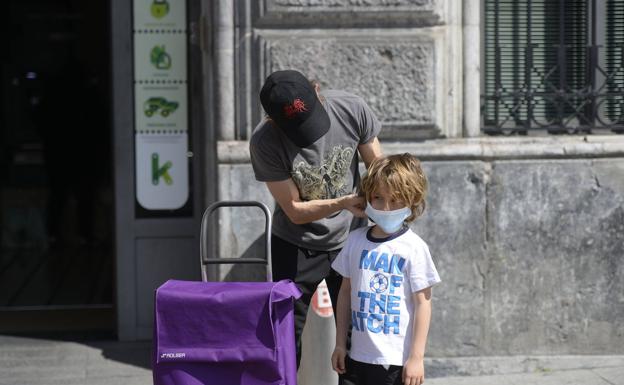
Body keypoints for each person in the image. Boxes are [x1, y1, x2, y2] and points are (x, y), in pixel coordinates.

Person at [249, 69, 382, 382]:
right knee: (285, 338)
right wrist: (342, 202)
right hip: (295, 243)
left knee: (354, 335)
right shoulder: (265, 141)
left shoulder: (351, 109)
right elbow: (294, 211)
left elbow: (378, 170)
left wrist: (390, 214)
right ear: (272, 120)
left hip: (350, 238)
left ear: (317, 91)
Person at [330, 154, 441, 385]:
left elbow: (423, 303)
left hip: (395, 363)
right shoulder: (354, 241)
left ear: (413, 199)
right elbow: (344, 293)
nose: (386, 207)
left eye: (396, 200)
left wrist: (416, 357)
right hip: (356, 359)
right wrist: (340, 343)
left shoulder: (414, 248)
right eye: (378, 198)